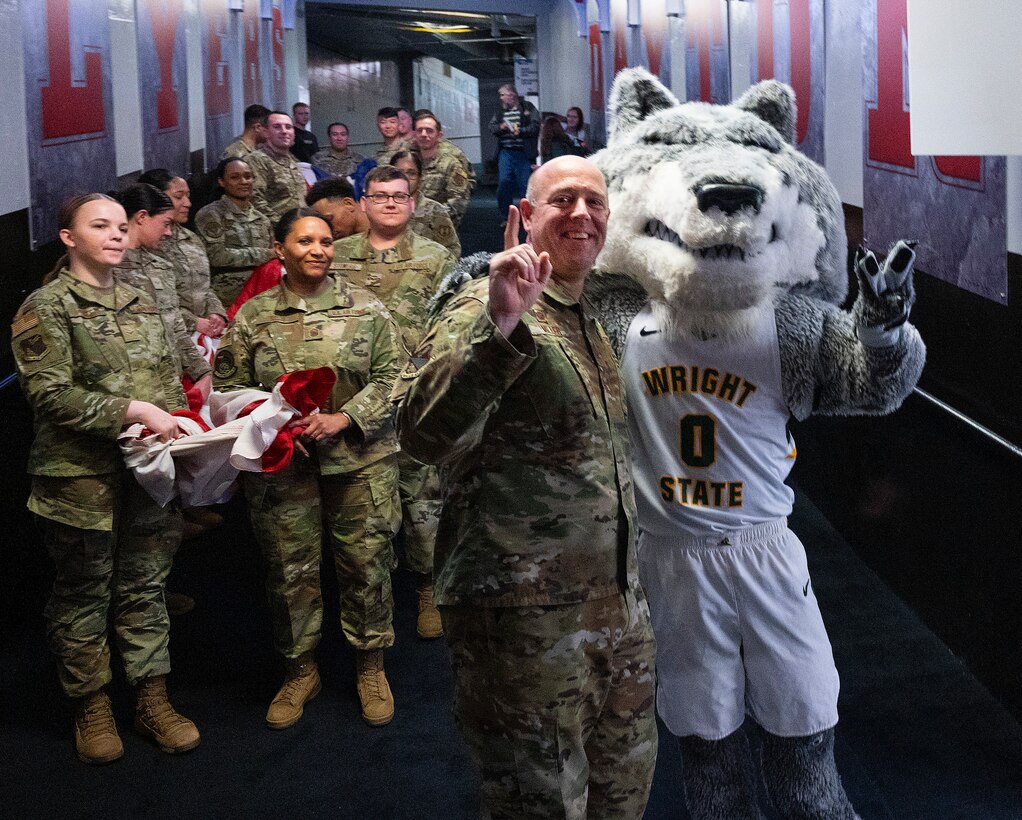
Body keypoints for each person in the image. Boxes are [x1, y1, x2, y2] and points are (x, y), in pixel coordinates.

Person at [395, 156, 657, 817]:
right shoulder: (488, 306)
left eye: (594, 202)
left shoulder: (586, 317)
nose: (581, 213)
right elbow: (420, 434)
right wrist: (498, 325)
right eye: (562, 200)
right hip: (524, 624)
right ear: (527, 215)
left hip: (614, 611)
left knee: (620, 795)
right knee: (538, 804)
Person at [11, 193, 201, 765]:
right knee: (84, 592)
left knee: (146, 586)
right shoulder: (46, 306)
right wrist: (133, 412)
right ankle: (91, 704)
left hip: (145, 473)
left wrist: (183, 430)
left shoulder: (142, 302)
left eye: (122, 226)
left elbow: (168, 382)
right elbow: (47, 394)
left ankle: (151, 698)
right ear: (69, 238)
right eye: (101, 226)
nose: (117, 235)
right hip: (79, 477)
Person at [214, 208, 403, 728]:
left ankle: (370, 664)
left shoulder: (366, 308)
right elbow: (228, 394)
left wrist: (347, 416)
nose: (319, 249)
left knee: (366, 566)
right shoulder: (253, 317)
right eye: (305, 241)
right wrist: (270, 425)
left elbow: (398, 377)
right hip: (285, 468)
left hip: (360, 463)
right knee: (289, 570)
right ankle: (300, 669)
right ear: (280, 249)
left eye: (325, 241)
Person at [332, 166, 454, 640]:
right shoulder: (336, 255)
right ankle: (369, 594)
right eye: (379, 196)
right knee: (365, 506)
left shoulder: (434, 257)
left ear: (412, 205)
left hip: (415, 394)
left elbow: (450, 322)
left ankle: (425, 587)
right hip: (353, 396)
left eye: (399, 197)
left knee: (422, 494)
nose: (389, 204)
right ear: (362, 203)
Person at [112, 185, 213, 397]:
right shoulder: (109, 271)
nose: (168, 232)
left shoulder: (161, 267)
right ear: (142, 217)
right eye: (165, 224)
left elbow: (176, 328)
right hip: (130, 393)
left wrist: (203, 372)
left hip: (170, 386)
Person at [138, 168, 226, 339]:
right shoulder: (148, 245)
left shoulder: (191, 238)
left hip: (203, 331)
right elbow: (154, 300)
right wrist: (195, 322)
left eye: (188, 196)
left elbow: (205, 286)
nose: (187, 203)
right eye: (179, 197)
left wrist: (216, 313)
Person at [194, 157, 276, 308]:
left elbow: (272, 261)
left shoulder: (262, 219)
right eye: (235, 177)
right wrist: (263, 254)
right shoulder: (211, 214)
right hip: (227, 301)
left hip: (261, 299)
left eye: (248, 176)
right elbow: (216, 256)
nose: (243, 181)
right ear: (221, 182)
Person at [390, 149, 461, 258]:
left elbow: (452, 251)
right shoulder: (383, 209)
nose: (405, 178)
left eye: (411, 173)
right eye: (399, 173)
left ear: (420, 178)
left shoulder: (436, 211)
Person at [413, 111, 474, 226]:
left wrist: (426, 216)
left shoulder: (451, 164)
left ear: (439, 136)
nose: (424, 134)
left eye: (429, 131)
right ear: (414, 135)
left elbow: (458, 202)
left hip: (439, 228)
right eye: (419, 130)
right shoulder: (409, 162)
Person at [489, 83, 540, 220]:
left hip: (524, 153)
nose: (501, 98)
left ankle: (529, 217)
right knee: (504, 184)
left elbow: (535, 127)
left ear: (512, 95)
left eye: (503, 95)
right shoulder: (500, 112)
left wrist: (520, 132)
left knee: (526, 186)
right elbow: (492, 127)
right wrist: (502, 127)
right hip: (506, 153)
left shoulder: (528, 108)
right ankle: (506, 217)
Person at [248, 111, 307, 224]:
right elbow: (255, 201)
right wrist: (284, 226)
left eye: (288, 127)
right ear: (266, 132)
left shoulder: (294, 161)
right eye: (277, 127)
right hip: (274, 230)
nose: (284, 131)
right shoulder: (257, 160)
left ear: (294, 133)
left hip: (300, 227)